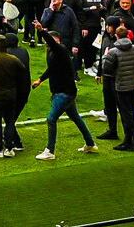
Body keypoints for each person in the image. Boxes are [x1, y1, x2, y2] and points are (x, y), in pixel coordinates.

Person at [31, 23, 97, 160]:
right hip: (65, 91)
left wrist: (41, 30)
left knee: (51, 119)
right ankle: (90, 143)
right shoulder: (52, 52)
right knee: (76, 118)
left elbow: (52, 44)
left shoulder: (60, 49)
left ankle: (50, 151)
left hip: (64, 93)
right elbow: (52, 69)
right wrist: (40, 80)